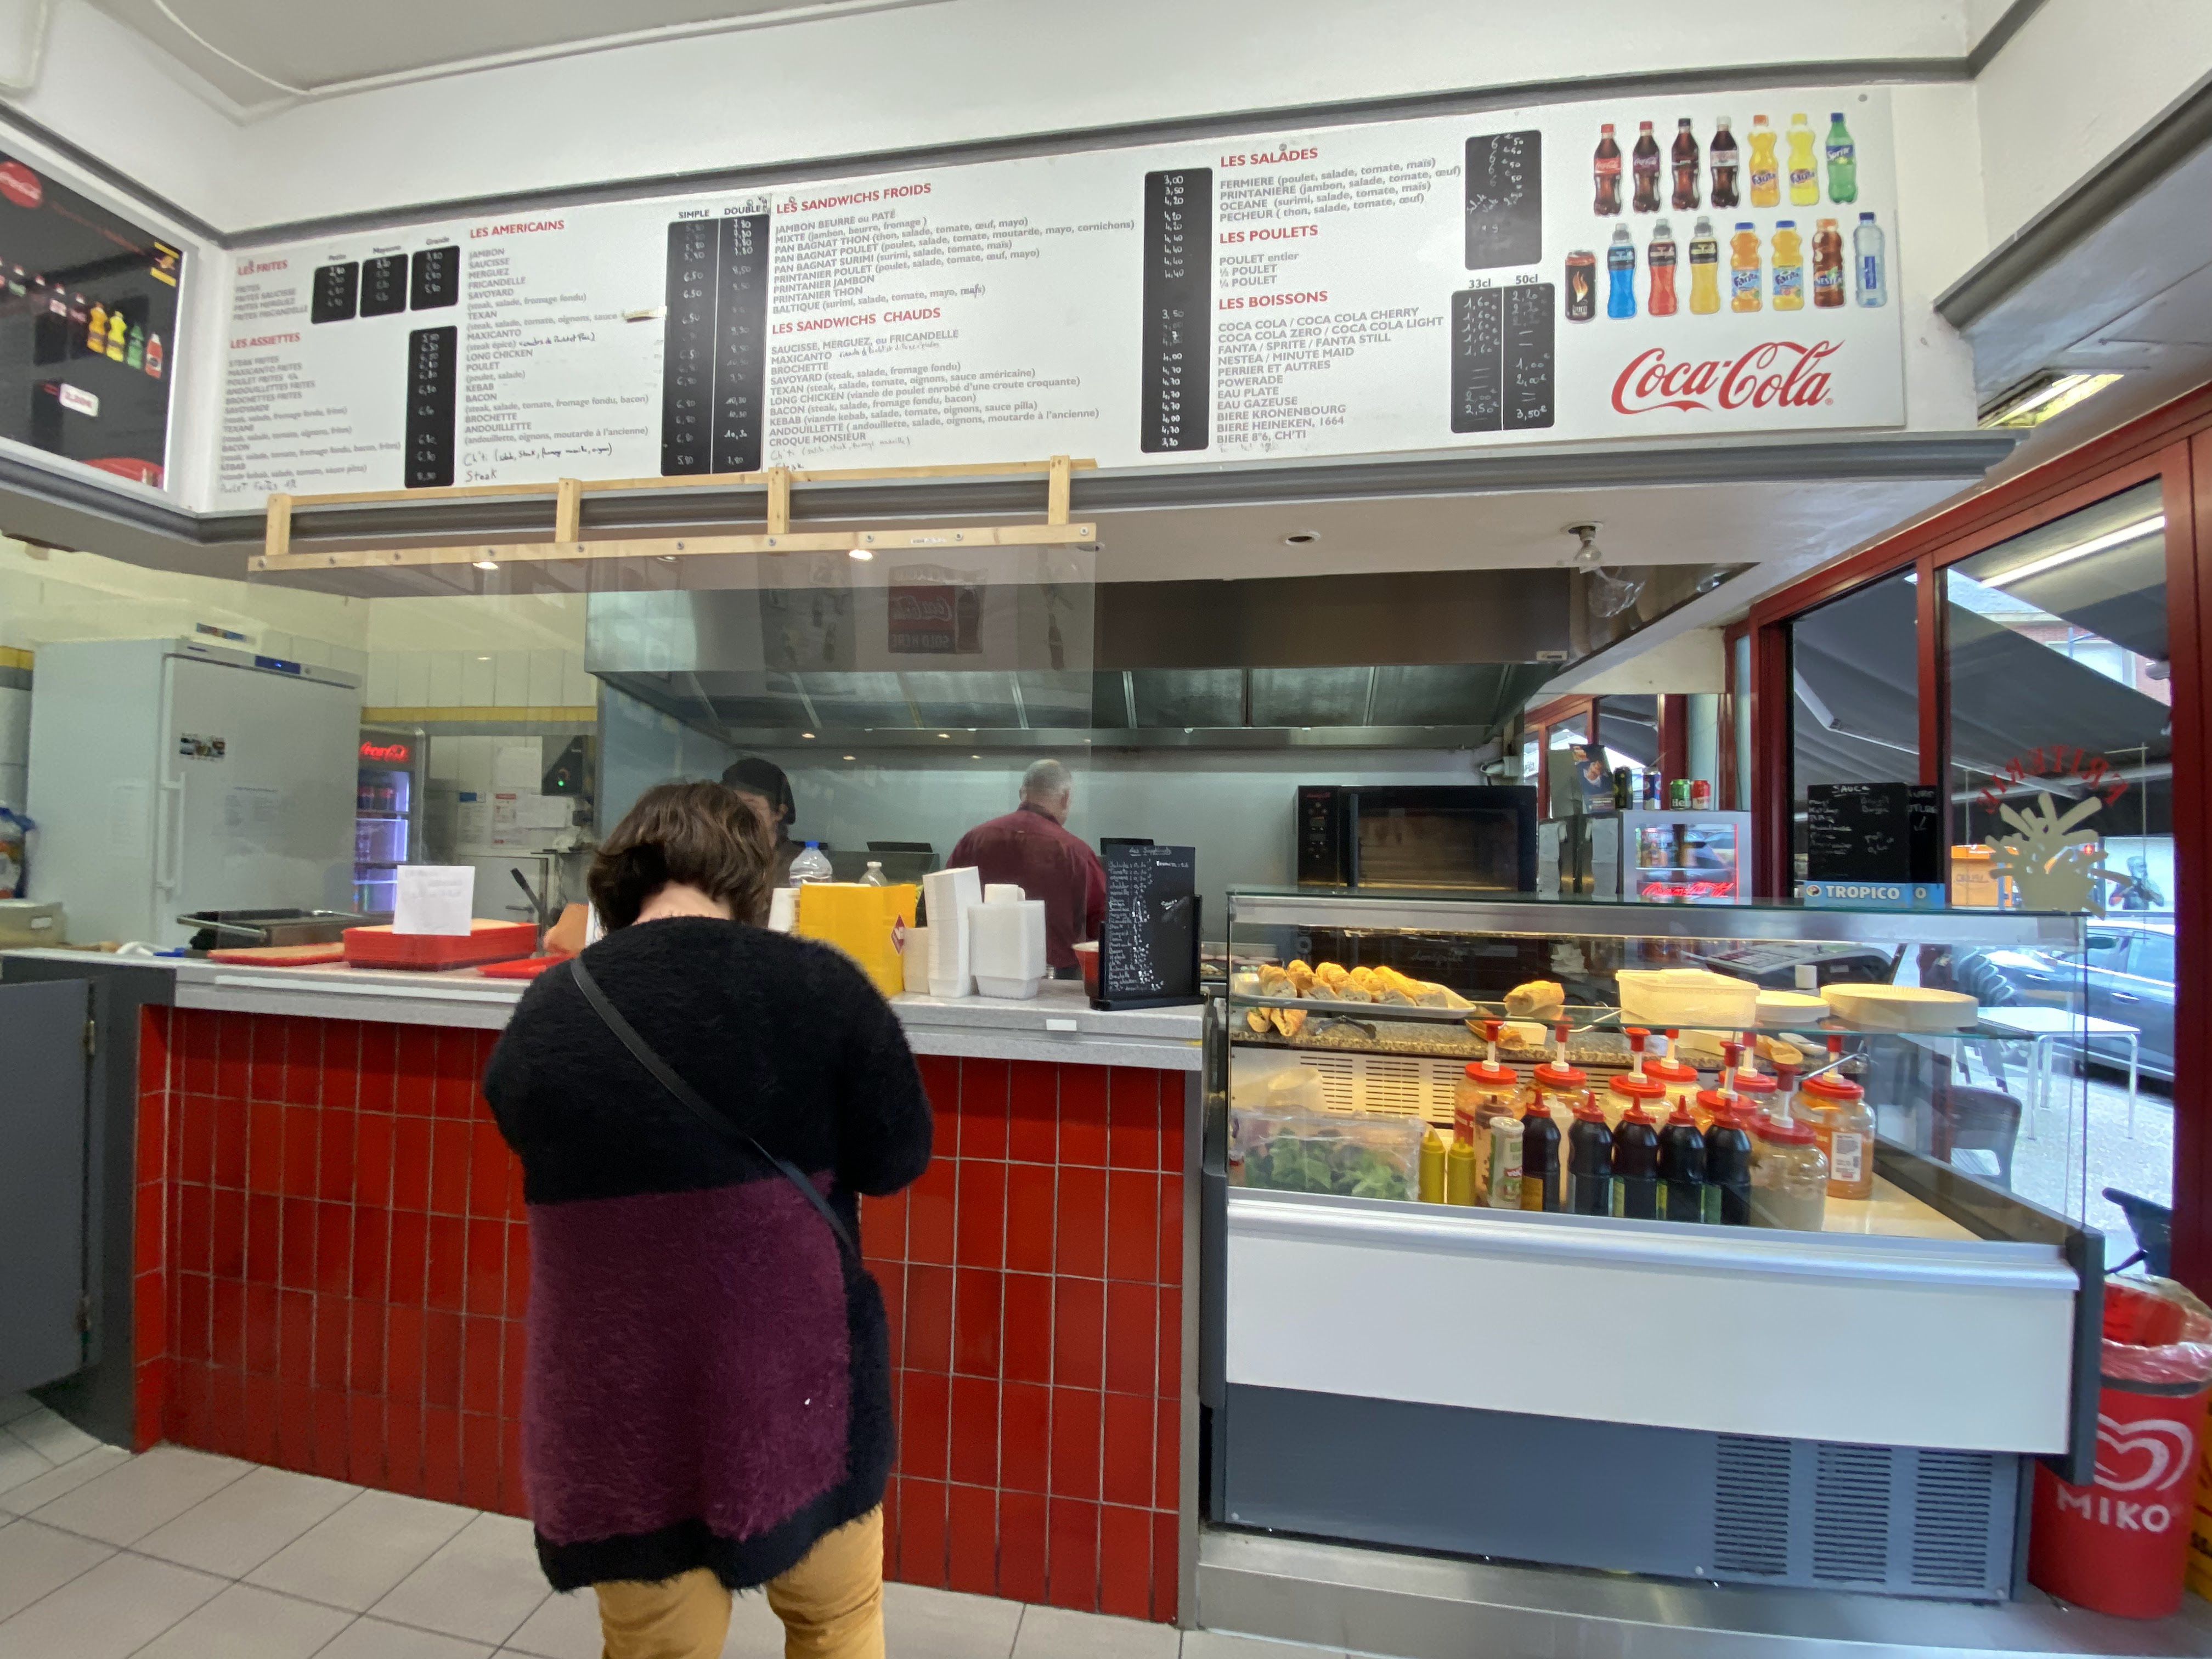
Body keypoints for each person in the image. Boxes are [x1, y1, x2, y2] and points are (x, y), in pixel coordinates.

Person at [483, 781, 930, 1659]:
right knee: (836, 1628)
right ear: (750, 877)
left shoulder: (553, 1008)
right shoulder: (821, 987)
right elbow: (897, 1158)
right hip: (798, 1397)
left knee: (658, 1651)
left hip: (622, 1415)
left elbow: (516, 1115)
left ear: (622, 877)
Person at [949, 758, 1105, 975]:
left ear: (1022, 793)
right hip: (1054, 978)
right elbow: (1102, 921)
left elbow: (945, 902)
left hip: (979, 974)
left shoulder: (973, 840)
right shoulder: (1076, 852)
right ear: (1065, 798)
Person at [721, 755, 808, 884]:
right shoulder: (718, 860)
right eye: (731, 804)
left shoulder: (802, 868)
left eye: (750, 806)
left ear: (779, 813)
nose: (739, 813)